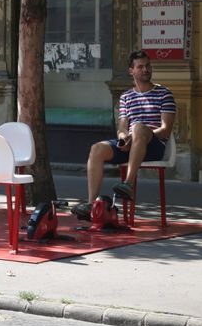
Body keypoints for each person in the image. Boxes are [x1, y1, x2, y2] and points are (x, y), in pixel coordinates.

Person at [72, 50, 176, 218]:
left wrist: (138, 133)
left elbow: (165, 130)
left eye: (148, 66)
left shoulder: (164, 93)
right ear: (131, 71)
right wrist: (123, 138)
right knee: (96, 149)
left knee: (139, 128)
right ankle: (91, 204)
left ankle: (128, 184)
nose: (145, 70)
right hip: (131, 143)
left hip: (154, 145)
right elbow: (121, 127)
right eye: (140, 67)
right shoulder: (126, 97)